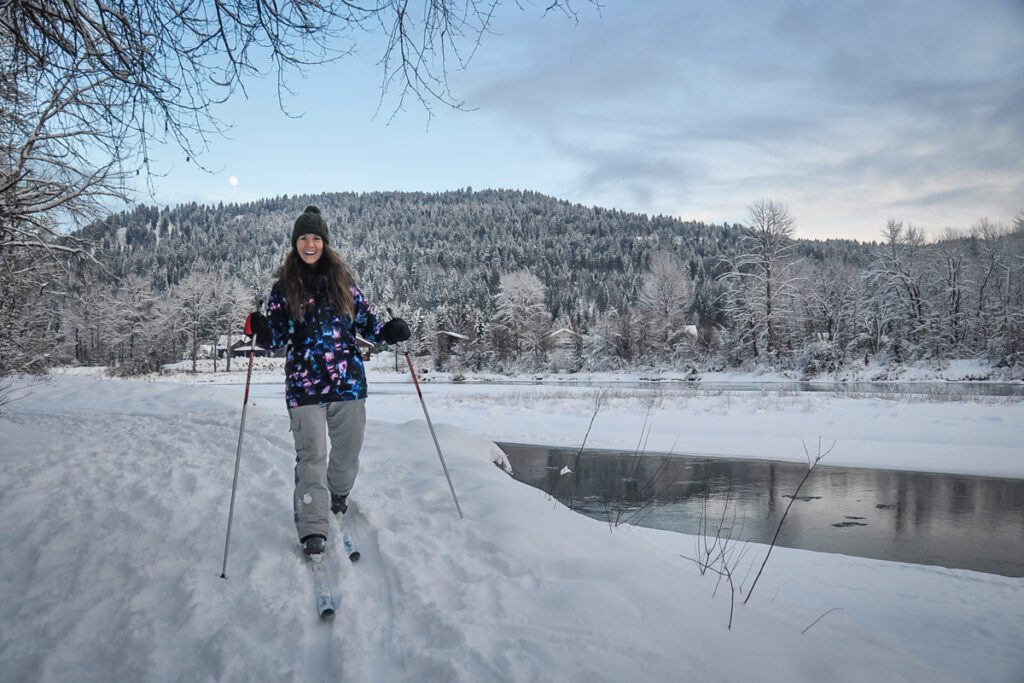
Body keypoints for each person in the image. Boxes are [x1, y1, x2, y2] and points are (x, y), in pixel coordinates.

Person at [247, 205, 410, 556]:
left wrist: (389, 332)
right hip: (304, 387)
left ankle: (338, 495)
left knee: (348, 452)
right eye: (303, 238)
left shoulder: (344, 284)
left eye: (316, 238)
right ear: (295, 244)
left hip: (348, 384)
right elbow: (275, 339)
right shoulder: (283, 289)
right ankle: (312, 527)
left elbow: (368, 324)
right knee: (311, 457)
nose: (310, 244)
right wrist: (262, 330)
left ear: (325, 242)